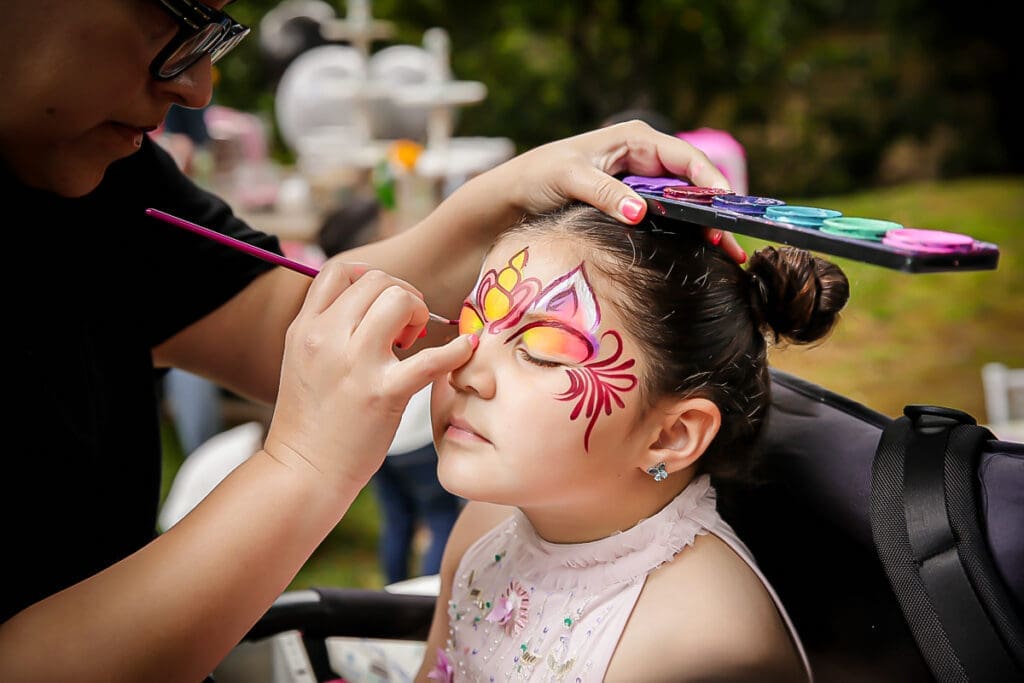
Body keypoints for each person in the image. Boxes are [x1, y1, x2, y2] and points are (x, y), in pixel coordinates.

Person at [0, 3, 743, 680]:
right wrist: (303, 464)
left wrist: (502, 194)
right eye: (180, 13)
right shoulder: (482, 537)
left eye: (542, 344)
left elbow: (285, 323)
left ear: (676, 430)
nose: (198, 86)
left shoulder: (101, 175)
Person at [416, 203, 850, 682]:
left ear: (670, 435)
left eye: (540, 354)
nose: (463, 368)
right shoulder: (484, 526)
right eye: (472, 326)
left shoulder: (703, 650)